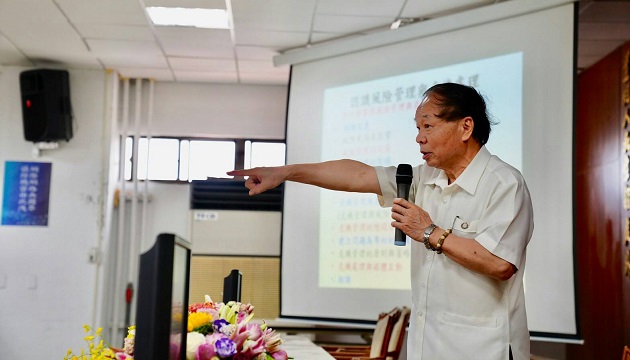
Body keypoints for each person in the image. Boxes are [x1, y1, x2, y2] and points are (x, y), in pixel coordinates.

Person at [227, 82, 534, 360]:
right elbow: (357, 175)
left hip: (484, 349)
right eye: (417, 127)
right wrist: (286, 172)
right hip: (428, 347)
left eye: (428, 125)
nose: (419, 138)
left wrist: (428, 231)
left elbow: (500, 264)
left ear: (466, 127)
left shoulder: (504, 183)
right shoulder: (424, 177)